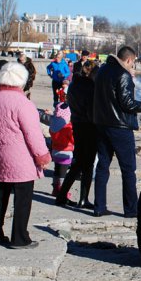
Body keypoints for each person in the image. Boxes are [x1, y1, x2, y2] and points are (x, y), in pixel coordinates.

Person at [0, 62, 51, 249]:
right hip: (21, 158)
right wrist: (43, 156)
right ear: (20, 80)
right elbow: (33, 134)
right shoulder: (23, 103)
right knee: (22, 198)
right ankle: (20, 238)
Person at [92, 45, 141, 218]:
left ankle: (99, 207)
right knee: (128, 170)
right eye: (133, 63)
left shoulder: (102, 70)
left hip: (101, 123)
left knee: (102, 166)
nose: (132, 66)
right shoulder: (123, 75)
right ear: (128, 60)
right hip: (120, 127)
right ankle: (131, 210)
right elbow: (127, 103)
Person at [56, 60, 100, 209]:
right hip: (89, 126)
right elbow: (91, 109)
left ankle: (62, 196)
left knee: (78, 163)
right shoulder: (91, 86)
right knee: (87, 164)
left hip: (77, 124)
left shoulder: (74, 84)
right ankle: (83, 199)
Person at [48, 101, 74, 198]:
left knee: (56, 171)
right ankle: (63, 192)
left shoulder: (53, 125)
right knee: (63, 174)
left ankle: (55, 189)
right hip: (65, 153)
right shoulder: (68, 127)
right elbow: (73, 140)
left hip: (55, 152)